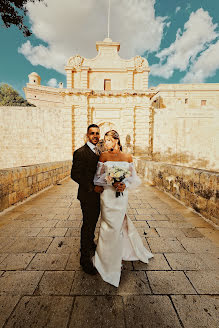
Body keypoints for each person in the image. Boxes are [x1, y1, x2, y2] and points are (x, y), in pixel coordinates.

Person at [92, 130, 153, 287]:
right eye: (105, 141)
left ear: (116, 141)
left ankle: (117, 255)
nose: (105, 143)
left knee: (118, 225)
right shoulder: (103, 156)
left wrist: (124, 184)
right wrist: (110, 182)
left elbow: (134, 178)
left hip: (121, 196)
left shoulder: (127, 157)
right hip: (107, 196)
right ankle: (106, 259)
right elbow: (97, 178)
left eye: (108, 140)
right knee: (108, 226)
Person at [71, 124, 104, 275]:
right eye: (92, 133)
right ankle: (85, 260)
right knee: (88, 225)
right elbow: (75, 174)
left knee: (92, 222)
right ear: (87, 135)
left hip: (98, 196)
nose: (95, 136)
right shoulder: (80, 152)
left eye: (97, 133)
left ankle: (90, 244)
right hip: (87, 195)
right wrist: (92, 187)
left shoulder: (99, 151)